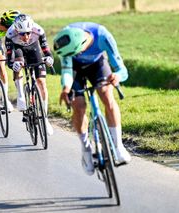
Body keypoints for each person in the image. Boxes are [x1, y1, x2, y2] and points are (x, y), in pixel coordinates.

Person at [53, 22, 131, 175]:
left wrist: (117, 76)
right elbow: (67, 70)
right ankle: (86, 148)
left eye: (75, 53)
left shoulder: (103, 35)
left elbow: (122, 69)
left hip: (97, 64)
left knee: (106, 94)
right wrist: (66, 88)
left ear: (81, 46)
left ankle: (118, 145)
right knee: (78, 105)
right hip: (75, 70)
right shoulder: (65, 40)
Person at [5, 14, 54, 135]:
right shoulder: (10, 34)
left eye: (28, 33)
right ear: (16, 30)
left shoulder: (38, 30)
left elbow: (47, 51)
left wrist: (49, 59)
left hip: (34, 49)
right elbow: (8, 57)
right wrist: (13, 66)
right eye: (22, 34)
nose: (26, 36)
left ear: (31, 29)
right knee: (18, 62)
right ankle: (21, 96)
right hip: (18, 49)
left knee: (41, 82)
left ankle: (45, 118)